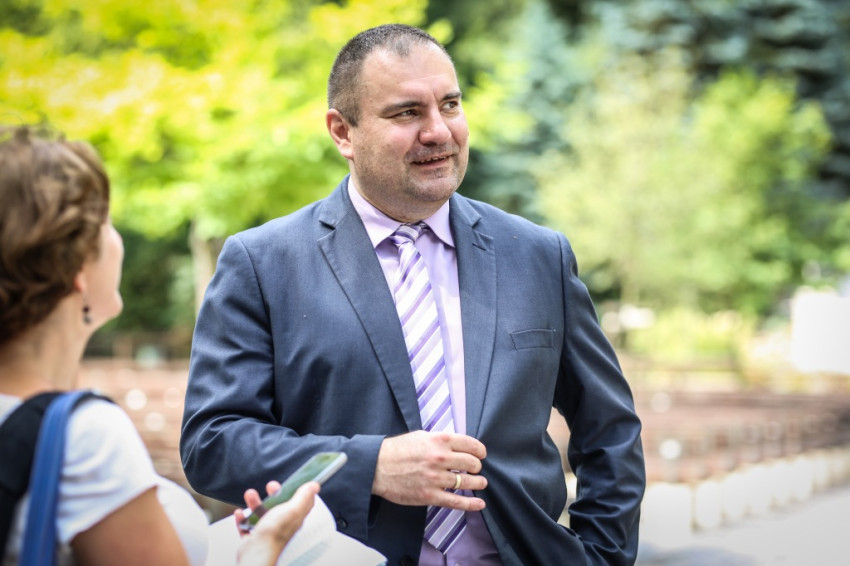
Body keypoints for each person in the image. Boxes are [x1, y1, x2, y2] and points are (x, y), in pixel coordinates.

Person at [180, 23, 645, 566]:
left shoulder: (540, 255)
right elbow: (212, 444)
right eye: (407, 113)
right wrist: (369, 466)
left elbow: (609, 428)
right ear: (342, 132)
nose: (438, 132)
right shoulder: (262, 263)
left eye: (450, 105)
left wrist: (601, 556)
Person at [0, 126, 317, 566]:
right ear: (76, 268)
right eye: (106, 223)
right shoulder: (85, 439)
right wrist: (264, 549)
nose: (116, 239)